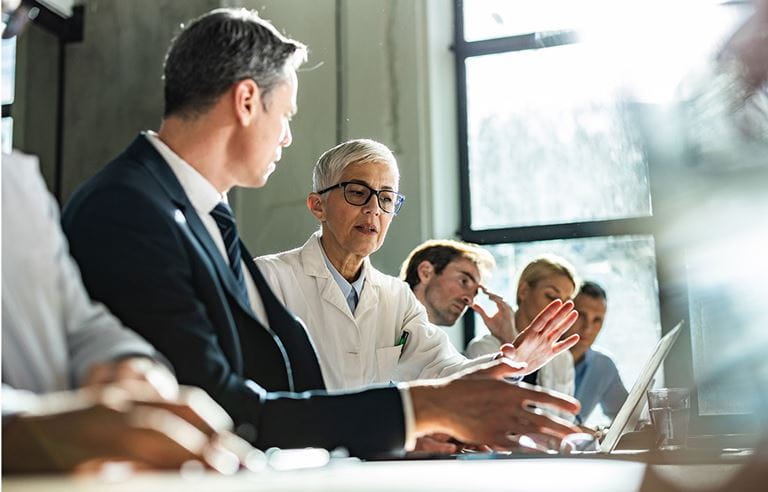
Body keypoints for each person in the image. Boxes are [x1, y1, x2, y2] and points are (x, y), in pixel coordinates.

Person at [61, 8, 581, 457]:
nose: (287, 135)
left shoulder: (196, 214)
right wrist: (411, 414)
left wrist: (412, 424)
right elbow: (218, 404)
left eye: (386, 199)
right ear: (246, 101)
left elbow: (284, 391)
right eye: (284, 113)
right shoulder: (130, 210)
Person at [255, 141, 579, 391]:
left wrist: (511, 362)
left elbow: (441, 370)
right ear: (318, 205)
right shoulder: (268, 279)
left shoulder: (395, 297)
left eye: (386, 198)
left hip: (370, 465)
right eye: (357, 193)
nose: (373, 210)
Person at [1, 150, 249, 473]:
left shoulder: (15, 184)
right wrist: (25, 429)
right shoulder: (121, 200)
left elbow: (78, 324)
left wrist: (126, 365)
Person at [465, 255, 579, 401]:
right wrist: (511, 341)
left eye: (566, 303)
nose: (559, 309)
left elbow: (567, 417)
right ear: (524, 290)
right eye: (551, 296)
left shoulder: (562, 357)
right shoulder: (483, 350)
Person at [565, 281, 628, 424]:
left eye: (597, 320)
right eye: (581, 315)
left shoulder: (603, 366)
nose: (588, 328)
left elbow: (628, 419)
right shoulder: (539, 360)